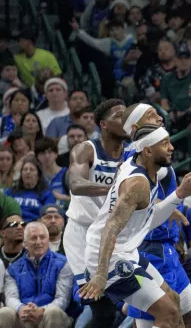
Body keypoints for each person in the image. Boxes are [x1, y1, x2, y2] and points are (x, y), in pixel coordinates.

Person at [78, 126, 191, 328]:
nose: (171, 147)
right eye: (165, 143)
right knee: (167, 314)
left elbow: (143, 219)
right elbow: (111, 228)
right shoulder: (138, 184)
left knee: (173, 301)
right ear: (148, 151)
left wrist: (171, 203)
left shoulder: (143, 168)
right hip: (108, 256)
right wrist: (100, 274)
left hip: (127, 250)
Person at [62, 98, 129, 328]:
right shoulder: (86, 149)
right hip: (82, 234)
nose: (125, 120)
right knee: (102, 309)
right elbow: (76, 183)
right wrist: (113, 190)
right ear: (104, 124)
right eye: (118, 116)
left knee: (141, 301)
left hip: (113, 235)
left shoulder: (131, 155)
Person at [0, 222, 74, 328]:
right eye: (33, 238)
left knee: (53, 312)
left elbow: (63, 298)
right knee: (4, 313)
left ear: (48, 241)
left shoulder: (63, 263)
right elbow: (11, 297)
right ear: (25, 243)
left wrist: (42, 310)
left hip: (50, 315)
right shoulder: (13, 269)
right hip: (24, 316)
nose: (38, 242)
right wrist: (21, 308)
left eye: (42, 237)